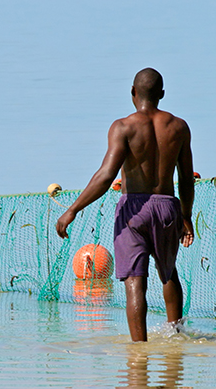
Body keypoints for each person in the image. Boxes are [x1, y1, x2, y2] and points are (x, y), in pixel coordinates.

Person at [56, 68, 195, 342]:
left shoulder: (124, 127)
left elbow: (106, 175)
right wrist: (186, 215)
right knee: (168, 273)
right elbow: (187, 178)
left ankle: (139, 350)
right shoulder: (179, 127)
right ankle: (176, 337)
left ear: (133, 92)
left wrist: (72, 209)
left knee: (135, 281)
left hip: (134, 209)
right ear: (162, 95)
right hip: (168, 206)